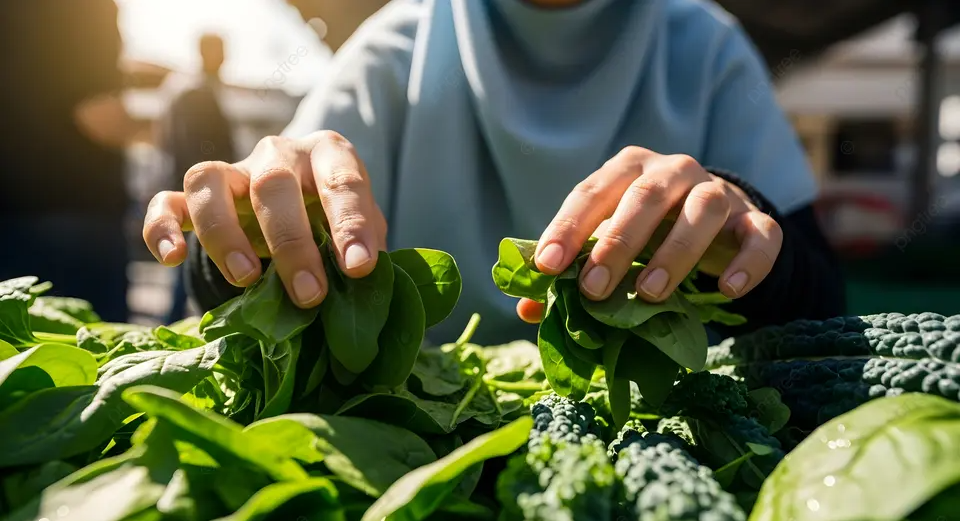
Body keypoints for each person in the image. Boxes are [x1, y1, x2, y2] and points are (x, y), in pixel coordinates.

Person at [142, 0, 846, 346]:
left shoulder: (706, 44)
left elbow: (819, 300)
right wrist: (235, 242)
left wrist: (745, 229)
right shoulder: (396, 48)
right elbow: (253, 256)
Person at [1, 0, 144, 322]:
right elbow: (99, 117)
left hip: (10, 214)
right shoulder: (84, 8)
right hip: (73, 218)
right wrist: (156, 132)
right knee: (88, 354)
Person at [156, 33, 237, 322]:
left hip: (186, 189)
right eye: (221, 50)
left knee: (187, 269)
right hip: (198, 195)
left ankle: (171, 327)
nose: (225, 58)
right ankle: (173, 329)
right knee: (194, 267)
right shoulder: (196, 92)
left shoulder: (182, 87)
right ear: (207, 52)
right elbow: (199, 150)